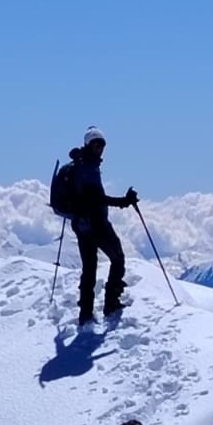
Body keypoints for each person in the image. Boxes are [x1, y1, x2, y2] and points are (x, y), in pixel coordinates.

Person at [65, 126, 138, 325]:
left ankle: (86, 314)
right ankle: (111, 303)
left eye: (102, 145)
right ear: (89, 145)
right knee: (118, 258)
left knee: (89, 269)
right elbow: (97, 199)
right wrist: (125, 201)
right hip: (97, 225)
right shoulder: (88, 167)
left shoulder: (80, 165)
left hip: (81, 226)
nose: (100, 148)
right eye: (96, 144)